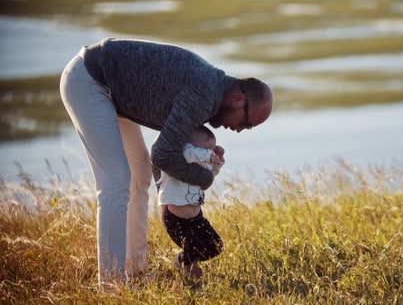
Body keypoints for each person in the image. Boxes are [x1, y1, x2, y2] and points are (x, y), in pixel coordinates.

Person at [59, 38, 272, 284]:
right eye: (245, 123)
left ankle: (136, 270)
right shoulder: (204, 95)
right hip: (89, 81)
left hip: (114, 93)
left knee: (138, 175)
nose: (239, 130)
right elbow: (162, 155)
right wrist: (204, 179)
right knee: (116, 181)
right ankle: (111, 285)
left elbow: (166, 153)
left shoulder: (210, 90)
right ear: (238, 98)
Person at [154, 126, 224, 279]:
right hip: (176, 219)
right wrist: (207, 155)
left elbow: (210, 176)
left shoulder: (200, 165)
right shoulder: (180, 158)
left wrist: (217, 162)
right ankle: (185, 267)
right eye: (207, 149)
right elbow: (188, 152)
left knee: (216, 245)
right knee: (191, 245)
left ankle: (183, 261)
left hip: (196, 218)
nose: (210, 152)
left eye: (212, 148)